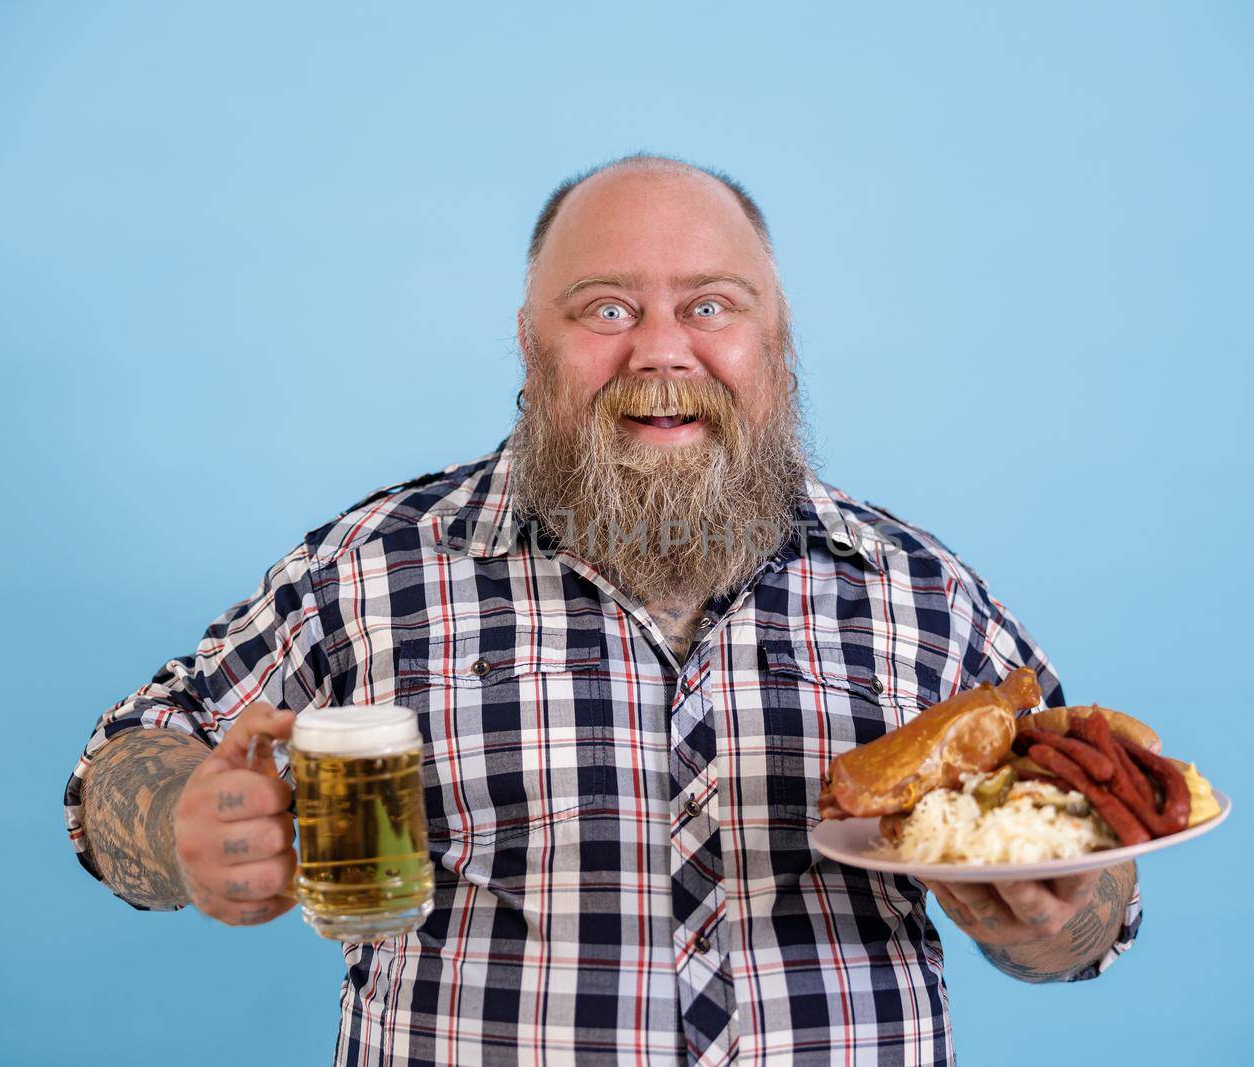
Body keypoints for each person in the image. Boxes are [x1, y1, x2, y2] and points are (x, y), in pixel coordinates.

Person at [63, 153, 1141, 1065]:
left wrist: (1056, 917)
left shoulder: (920, 589)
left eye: (710, 305)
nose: (661, 349)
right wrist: (179, 821)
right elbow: (126, 760)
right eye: (607, 309)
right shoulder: (376, 562)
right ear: (531, 345)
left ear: (778, 344)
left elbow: (1102, 910)